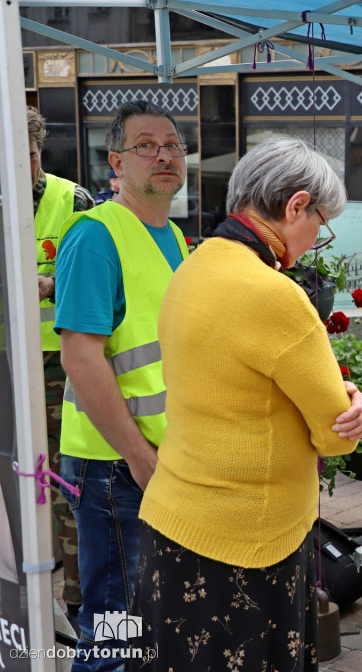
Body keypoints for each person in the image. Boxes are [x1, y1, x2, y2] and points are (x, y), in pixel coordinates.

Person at [129, 137, 362, 670]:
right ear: (295, 206)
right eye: (320, 226)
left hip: (177, 521)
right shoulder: (274, 294)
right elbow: (335, 431)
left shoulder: (193, 267)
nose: (316, 240)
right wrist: (355, 400)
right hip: (247, 541)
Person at [55, 100, 192, 672]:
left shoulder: (175, 238)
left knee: (150, 625)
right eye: (146, 145)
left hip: (156, 460)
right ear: (116, 161)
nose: (164, 154)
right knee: (116, 635)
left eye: (174, 145)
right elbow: (81, 359)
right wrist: (139, 458)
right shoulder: (95, 236)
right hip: (117, 467)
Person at [27, 106, 92, 626]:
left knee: (67, 484)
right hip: (10, 362)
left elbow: (95, 284)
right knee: (19, 490)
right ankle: (25, 603)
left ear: (38, 152)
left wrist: (52, 286)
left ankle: (77, 599)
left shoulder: (72, 201)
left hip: (60, 365)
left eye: (26, 156)